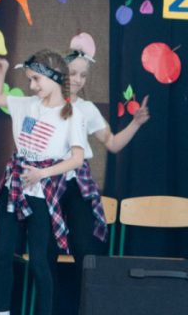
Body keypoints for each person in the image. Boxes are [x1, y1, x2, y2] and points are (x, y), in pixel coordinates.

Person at [0, 50, 87, 315]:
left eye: (36, 79)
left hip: (43, 192)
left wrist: (43, 173)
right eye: (29, 79)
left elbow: (77, 158)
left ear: (55, 78)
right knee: (3, 253)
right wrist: (0, 73)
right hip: (14, 188)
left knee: (40, 258)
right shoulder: (26, 104)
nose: (32, 86)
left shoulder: (71, 114)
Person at [56, 46, 150, 269]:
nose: (78, 80)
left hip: (77, 182)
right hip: (47, 180)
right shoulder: (42, 104)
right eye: (72, 73)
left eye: (83, 75)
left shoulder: (87, 109)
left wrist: (135, 123)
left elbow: (112, 143)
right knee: (45, 247)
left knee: (84, 245)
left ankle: (87, 291)